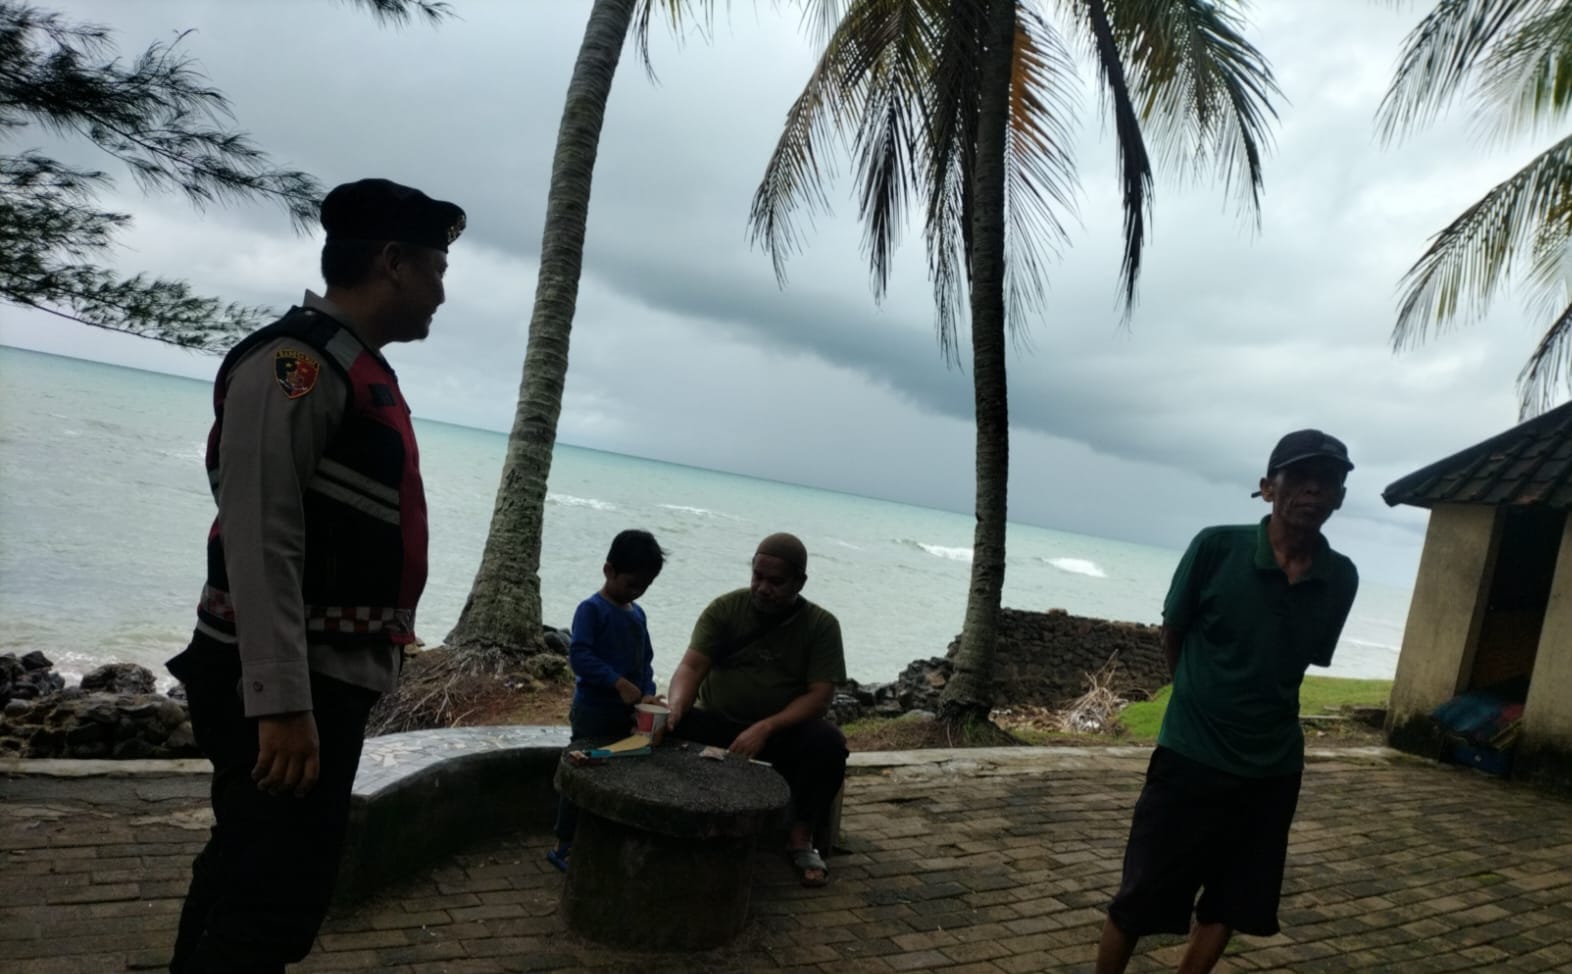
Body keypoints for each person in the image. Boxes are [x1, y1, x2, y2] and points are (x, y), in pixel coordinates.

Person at [165, 178, 465, 974]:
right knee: (272, 904)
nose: (442, 292)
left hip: (318, 679)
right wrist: (281, 701)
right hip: (284, 685)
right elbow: (261, 533)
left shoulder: (350, 364)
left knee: (249, 872)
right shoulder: (295, 364)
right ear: (393, 262)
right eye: (436, 269)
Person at [1094, 430, 1360, 974]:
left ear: (1340, 497)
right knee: (1141, 896)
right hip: (1190, 756)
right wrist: (1195, 700)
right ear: (1267, 487)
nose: (1313, 490)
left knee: (1235, 900)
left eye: (1328, 481)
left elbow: (1304, 657)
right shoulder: (1216, 547)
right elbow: (1174, 632)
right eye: (1299, 477)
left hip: (1273, 769)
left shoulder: (1341, 577)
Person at [666, 532, 848, 887]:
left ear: (799, 582)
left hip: (778, 734)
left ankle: (801, 838)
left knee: (829, 744)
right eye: (757, 577)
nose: (763, 588)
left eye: (775, 582)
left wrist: (766, 727)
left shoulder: (821, 626)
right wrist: (675, 708)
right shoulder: (725, 609)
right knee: (664, 727)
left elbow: (820, 696)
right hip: (719, 724)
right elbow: (691, 667)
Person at [547, 528, 667, 872]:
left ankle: (599, 834)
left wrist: (647, 691)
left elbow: (644, 660)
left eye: (645, 586)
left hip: (627, 713)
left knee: (618, 769)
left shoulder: (637, 614)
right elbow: (580, 656)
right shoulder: (591, 609)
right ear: (608, 570)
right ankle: (563, 841)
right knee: (582, 769)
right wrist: (615, 681)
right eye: (631, 584)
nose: (637, 592)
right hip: (593, 710)